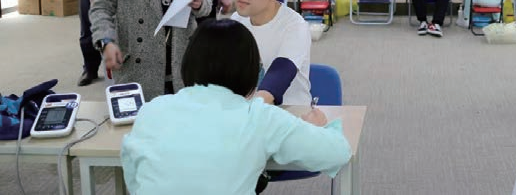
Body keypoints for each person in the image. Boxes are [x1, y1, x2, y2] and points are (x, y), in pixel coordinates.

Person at [120, 19, 351, 195]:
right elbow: (337, 154)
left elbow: (133, 177)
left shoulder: (152, 110)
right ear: (250, 71)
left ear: (188, 64)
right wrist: (319, 128)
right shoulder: (258, 117)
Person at [231, 0, 312, 106]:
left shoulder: (295, 26)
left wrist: (249, 110)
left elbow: (280, 74)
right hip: (248, 110)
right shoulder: (237, 21)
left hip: (289, 112)